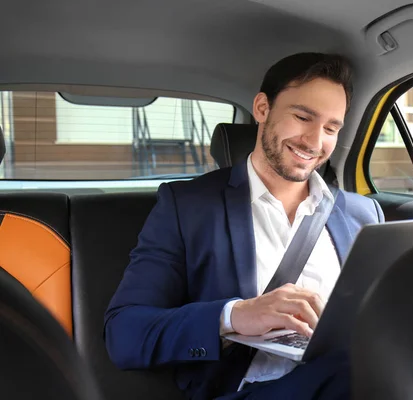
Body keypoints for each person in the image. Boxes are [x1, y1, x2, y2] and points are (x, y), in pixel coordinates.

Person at [104, 52, 385, 400]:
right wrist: (234, 315)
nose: (314, 142)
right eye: (302, 117)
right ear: (263, 109)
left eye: (330, 128)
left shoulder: (363, 213)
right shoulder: (188, 205)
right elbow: (125, 335)